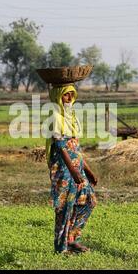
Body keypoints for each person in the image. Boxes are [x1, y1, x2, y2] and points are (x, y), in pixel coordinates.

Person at [45, 84, 98, 254]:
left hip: (77, 168)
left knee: (88, 202)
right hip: (63, 169)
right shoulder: (54, 116)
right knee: (65, 206)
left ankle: (72, 239)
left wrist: (87, 170)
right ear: (57, 96)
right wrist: (73, 170)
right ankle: (61, 247)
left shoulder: (72, 115)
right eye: (65, 95)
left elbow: (76, 148)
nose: (69, 98)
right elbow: (61, 147)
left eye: (71, 95)